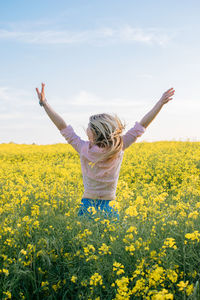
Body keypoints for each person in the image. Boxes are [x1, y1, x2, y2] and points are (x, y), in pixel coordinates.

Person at [36, 83, 175, 222]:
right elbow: (142, 125)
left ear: (95, 132)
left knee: (84, 242)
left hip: (88, 206)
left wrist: (45, 104)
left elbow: (62, 126)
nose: (86, 128)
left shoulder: (83, 148)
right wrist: (160, 103)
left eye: (89, 126)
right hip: (110, 207)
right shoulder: (119, 146)